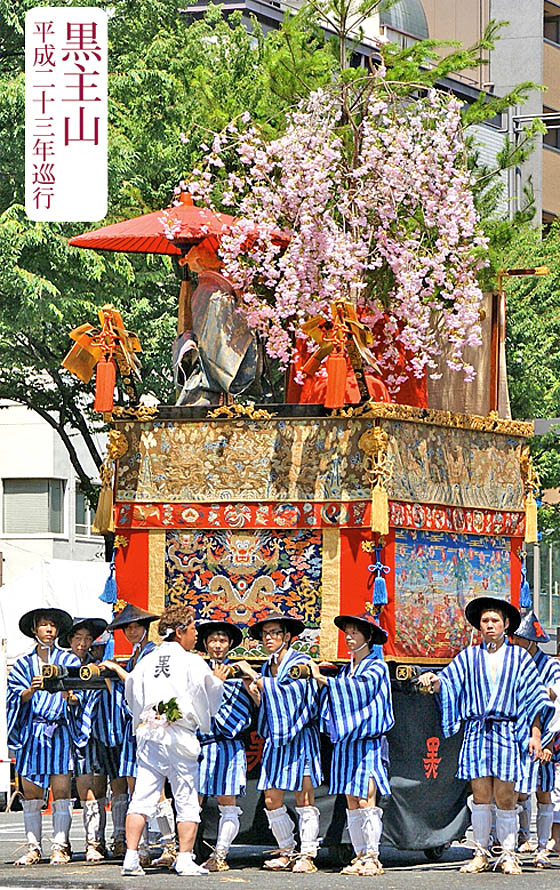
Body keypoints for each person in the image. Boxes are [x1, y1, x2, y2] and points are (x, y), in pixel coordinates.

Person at [418, 595, 553, 875]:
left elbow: (535, 699)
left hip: (507, 730)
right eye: (485, 621)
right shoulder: (469, 656)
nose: (489, 625)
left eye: (494, 620)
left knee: (506, 796)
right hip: (477, 730)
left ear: (506, 625)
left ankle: (508, 854)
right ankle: (480, 853)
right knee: (480, 795)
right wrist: (434, 680)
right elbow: (449, 680)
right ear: (479, 626)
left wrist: (535, 734)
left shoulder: (519, 658)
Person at [121, 604, 226, 877]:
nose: (195, 635)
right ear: (180, 632)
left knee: (142, 796)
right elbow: (207, 695)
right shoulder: (191, 661)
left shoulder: (146, 660)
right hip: (178, 734)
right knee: (186, 798)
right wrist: (217, 682)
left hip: (150, 733)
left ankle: (131, 857)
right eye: (192, 629)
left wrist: (143, 717)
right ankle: (184, 858)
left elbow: (132, 692)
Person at [309, 612, 394, 876]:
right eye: (347, 632)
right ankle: (359, 853)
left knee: (366, 798)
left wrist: (323, 679)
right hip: (346, 742)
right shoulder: (348, 669)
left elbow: (357, 690)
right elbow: (343, 687)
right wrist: (329, 676)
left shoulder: (376, 666)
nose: (349, 636)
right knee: (351, 800)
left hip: (367, 742)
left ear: (368, 637)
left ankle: (372, 855)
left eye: (355, 632)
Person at [241, 610, 322, 874]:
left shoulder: (301, 662)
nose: (269, 638)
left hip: (300, 736)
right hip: (277, 738)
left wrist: (258, 680)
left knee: (304, 797)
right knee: (270, 798)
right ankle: (287, 850)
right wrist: (256, 693)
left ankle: (307, 855)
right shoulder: (267, 666)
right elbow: (270, 705)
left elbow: (293, 695)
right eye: (265, 634)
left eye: (275, 633)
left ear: (287, 636)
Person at [7, 607, 79, 866]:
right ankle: (33, 847)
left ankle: (60, 845)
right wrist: (29, 691)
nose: (49, 630)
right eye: (44, 625)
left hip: (59, 729)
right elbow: (12, 697)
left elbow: (79, 693)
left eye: (53, 626)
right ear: (34, 629)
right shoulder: (22, 664)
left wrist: (70, 697)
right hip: (33, 731)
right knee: (33, 793)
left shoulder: (69, 661)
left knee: (61, 789)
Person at [101, 603, 160, 866]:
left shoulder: (153, 653)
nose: (132, 631)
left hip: (150, 725)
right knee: (135, 788)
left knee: (154, 790)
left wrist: (116, 670)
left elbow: (139, 684)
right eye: (128, 628)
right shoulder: (136, 654)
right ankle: (142, 847)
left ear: (146, 629)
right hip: (133, 727)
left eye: (137, 626)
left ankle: (166, 844)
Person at [195, 618, 253, 872]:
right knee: (191, 802)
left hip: (228, 744)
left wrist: (250, 680)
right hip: (201, 745)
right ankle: (183, 851)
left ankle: (220, 854)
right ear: (205, 644)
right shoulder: (195, 670)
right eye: (213, 640)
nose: (217, 645)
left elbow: (254, 704)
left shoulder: (239, 673)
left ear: (229, 644)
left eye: (222, 640)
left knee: (227, 803)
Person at [509, 610, 560, 867]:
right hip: (518, 734)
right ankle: (521, 837)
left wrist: (549, 741)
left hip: (546, 735)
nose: (514, 642)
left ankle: (543, 846)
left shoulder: (551, 666)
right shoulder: (513, 663)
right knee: (517, 791)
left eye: (518, 638)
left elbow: (557, 700)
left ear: (530, 639)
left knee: (543, 791)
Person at [59, 616, 109, 862]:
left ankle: (95, 842)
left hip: (92, 733)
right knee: (68, 790)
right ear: (69, 640)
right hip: (63, 731)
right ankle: (62, 844)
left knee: (95, 789)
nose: (83, 643)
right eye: (78, 638)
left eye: (87, 638)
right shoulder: (59, 664)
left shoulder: (96, 665)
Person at [85, 630, 129, 859]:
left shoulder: (120, 666)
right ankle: (95, 841)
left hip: (118, 732)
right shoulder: (87, 669)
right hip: (93, 734)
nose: (98, 653)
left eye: (102, 648)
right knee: (96, 787)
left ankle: (120, 838)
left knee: (120, 786)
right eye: (96, 649)